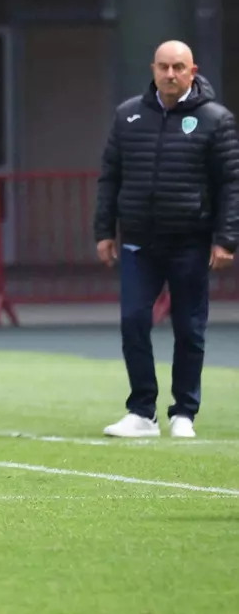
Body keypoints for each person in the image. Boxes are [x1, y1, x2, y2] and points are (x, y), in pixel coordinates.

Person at [95, 41, 238, 439]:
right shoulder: (128, 116)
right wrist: (103, 231)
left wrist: (226, 239)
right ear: (153, 69)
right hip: (139, 241)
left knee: (189, 329)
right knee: (133, 322)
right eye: (163, 67)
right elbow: (110, 176)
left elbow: (231, 184)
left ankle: (184, 413)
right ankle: (142, 412)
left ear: (193, 71)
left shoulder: (215, 119)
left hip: (190, 241)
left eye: (178, 67)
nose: (170, 74)